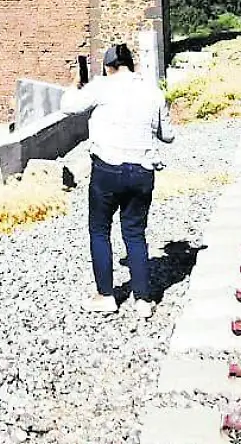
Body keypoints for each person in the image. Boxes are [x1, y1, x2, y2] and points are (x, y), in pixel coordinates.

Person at [61, 42, 175, 317]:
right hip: (142, 171)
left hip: (107, 171)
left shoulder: (101, 86)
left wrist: (76, 83)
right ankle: (143, 301)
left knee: (100, 231)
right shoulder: (152, 91)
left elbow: (67, 106)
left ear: (108, 67)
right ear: (132, 66)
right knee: (135, 233)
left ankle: (106, 296)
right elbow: (168, 135)